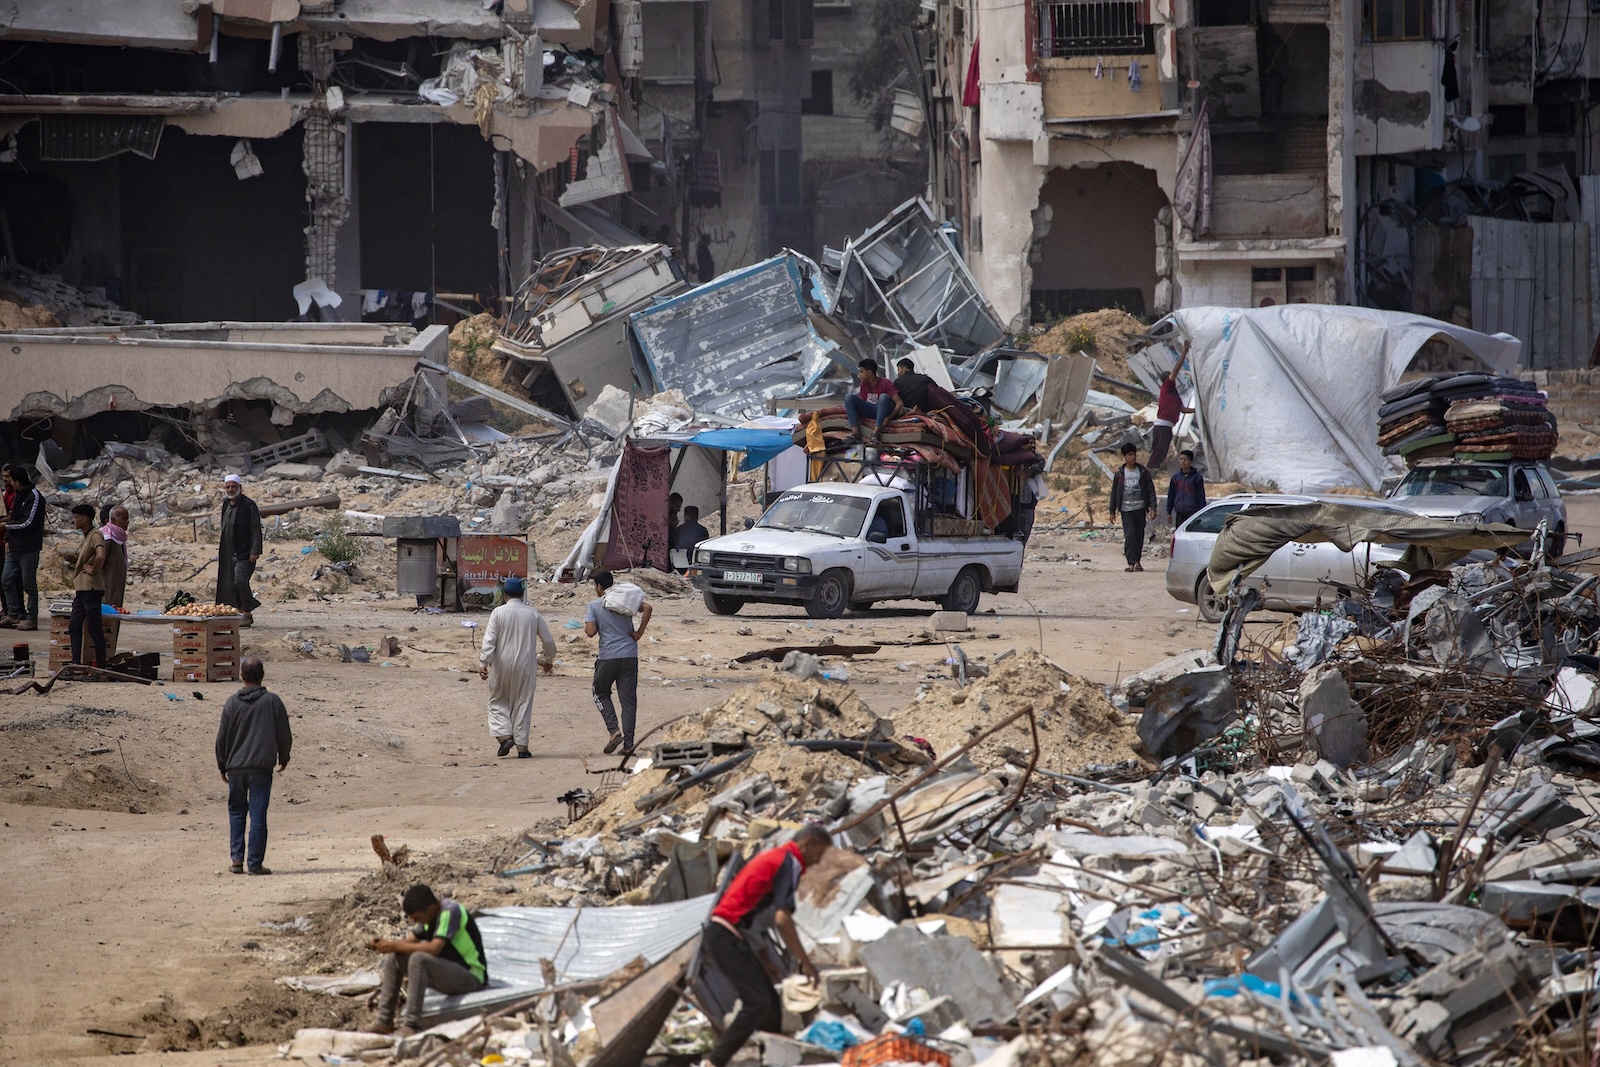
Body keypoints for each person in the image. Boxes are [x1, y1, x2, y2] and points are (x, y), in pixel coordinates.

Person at [699, 826, 834, 1067]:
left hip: (725, 933)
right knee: (757, 1002)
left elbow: (754, 915)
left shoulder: (776, 858)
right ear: (808, 843)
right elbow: (782, 918)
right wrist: (805, 962)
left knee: (770, 1003)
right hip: (725, 934)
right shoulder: (789, 861)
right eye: (818, 854)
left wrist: (764, 958)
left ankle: (770, 1058)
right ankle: (713, 1062)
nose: (816, 862)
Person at [370, 884, 489, 1036]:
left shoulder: (450, 912)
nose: (416, 922)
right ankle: (384, 1021)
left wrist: (393, 945)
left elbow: (434, 948)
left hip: (471, 976)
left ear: (430, 909)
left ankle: (411, 1024)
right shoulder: (428, 919)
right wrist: (387, 944)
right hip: (450, 972)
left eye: (418, 918)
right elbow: (409, 941)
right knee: (394, 958)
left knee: (419, 959)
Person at [214, 655, 292, 875]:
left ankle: (237, 860)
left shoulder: (231, 703)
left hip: (236, 767)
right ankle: (255, 863)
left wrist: (222, 764)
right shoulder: (272, 702)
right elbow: (284, 734)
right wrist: (283, 757)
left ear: (241, 676)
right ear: (263, 676)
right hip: (261, 768)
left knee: (237, 812)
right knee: (258, 814)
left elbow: (222, 737)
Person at [478, 576, 556, 759]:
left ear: (505, 595)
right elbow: (549, 641)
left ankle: (505, 737)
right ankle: (522, 748)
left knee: (497, 701)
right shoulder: (533, 613)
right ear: (522, 594)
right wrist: (548, 659)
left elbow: (490, 640)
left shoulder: (498, 613)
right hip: (526, 665)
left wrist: (483, 662)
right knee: (523, 703)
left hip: (501, 664)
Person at [584, 571, 650, 755]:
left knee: (600, 692)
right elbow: (648, 608)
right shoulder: (624, 601)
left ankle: (614, 731)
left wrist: (592, 624)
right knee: (628, 701)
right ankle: (628, 744)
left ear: (598, 586)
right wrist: (639, 632)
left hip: (608, 656)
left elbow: (590, 632)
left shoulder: (595, 605)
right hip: (629, 655)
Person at [216, 473, 263, 627]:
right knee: (229, 583)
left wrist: (255, 551)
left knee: (240, 581)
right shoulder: (225, 504)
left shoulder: (249, 505)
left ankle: (247, 612)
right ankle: (235, 612)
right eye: (228, 487)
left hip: (245, 552)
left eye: (233, 487)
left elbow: (255, 530)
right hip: (228, 552)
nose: (230, 490)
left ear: (240, 487)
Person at [2, 464, 45, 631]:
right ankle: (13, 614)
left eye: (11, 479)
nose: (9, 482)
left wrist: (6, 527)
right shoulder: (19, 495)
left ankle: (32, 617)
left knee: (29, 584)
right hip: (14, 548)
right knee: (6, 579)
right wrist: (8, 538)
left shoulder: (34, 497)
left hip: (29, 548)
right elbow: (14, 517)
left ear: (18, 482)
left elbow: (28, 523)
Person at [64, 503, 107, 667]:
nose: (74, 521)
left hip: (91, 588)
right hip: (82, 589)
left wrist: (94, 570)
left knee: (94, 629)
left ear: (85, 518)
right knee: (74, 626)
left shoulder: (95, 535)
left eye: (76, 518)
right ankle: (75, 663)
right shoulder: (86, 537)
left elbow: (101, 555)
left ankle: (101, 666)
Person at [1109, 442, 1156, 573]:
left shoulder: (1142, 472)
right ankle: (1130, 562)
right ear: (1124, 456)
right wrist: (1112, 511)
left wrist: (1153, 507)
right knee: (1129, 536)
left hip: (1140, 508)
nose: (1133, 457)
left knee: (1139, 536)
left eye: (1134, 454)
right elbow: (1114, 493)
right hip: (1126, 510)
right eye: (1129, 455)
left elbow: (1150, 490)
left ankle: (1137, 561)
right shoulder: (1120, 473)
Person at [1149, 348, 1195, 469]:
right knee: (1159, 452)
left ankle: (1153, 470)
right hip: (1162, 426)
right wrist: (1184, 352)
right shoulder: (1166, 387)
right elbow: (1176, 369)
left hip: (1167, 427)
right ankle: (1150, 471)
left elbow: (1184, 410)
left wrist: (1197, 410)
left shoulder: (1174, 395)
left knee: (1162, 452)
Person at [844, 359, 902, 441]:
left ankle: (875, 434)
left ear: (870, 372)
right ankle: (855, 433)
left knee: (883, 397)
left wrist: (888, 418)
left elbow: (899, 403)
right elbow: (864, 402)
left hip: (884, 410)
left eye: (861, 372)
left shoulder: (886, 383)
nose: (859, 374)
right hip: (871, 410)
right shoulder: (864, 384)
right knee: (849, 397)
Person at [1166, 450, 1207, 529]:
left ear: (1191, 461)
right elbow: (1171, 495)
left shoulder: (1197, 478)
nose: (1182, 462)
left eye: (1185, 459)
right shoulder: (1175, 478)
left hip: (1193, 513)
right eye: (1181, 459)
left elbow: (1200, 496)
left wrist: (1202, 512)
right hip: (1180, 513)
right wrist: (1169, 512)